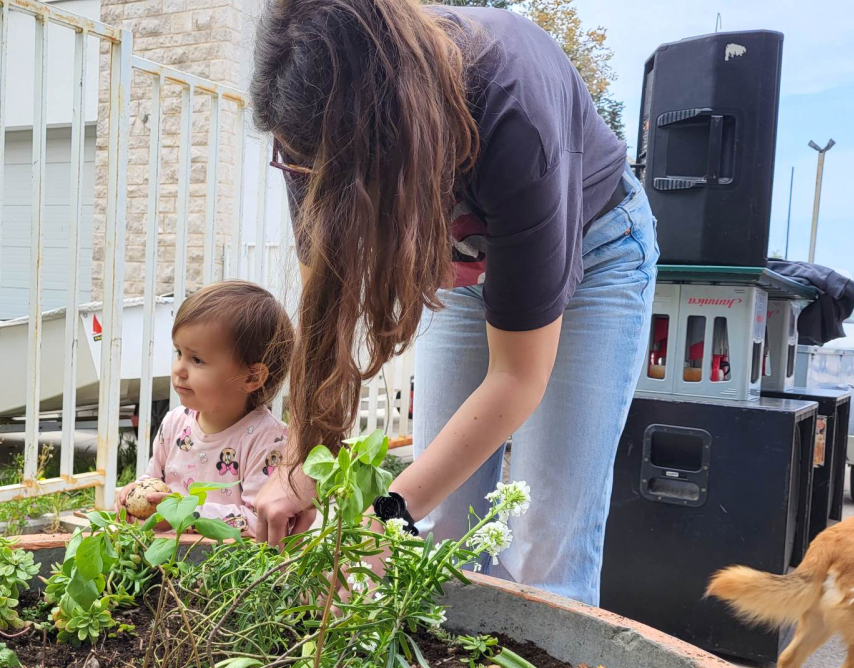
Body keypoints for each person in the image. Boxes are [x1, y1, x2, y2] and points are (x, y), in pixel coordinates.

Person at [250, 0, 657, 605]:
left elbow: (518, 376)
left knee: (543, 540)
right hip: (468, 263)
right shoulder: (306, 122)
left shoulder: (510, 103)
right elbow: (322, 313)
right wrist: (299, 463)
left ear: (389, 124)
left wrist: (386, 512)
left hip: (597, 252)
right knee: (432, 527)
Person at [117, 281, 295, 535]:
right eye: (179, 353)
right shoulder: (174, 423)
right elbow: (154, 480)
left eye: (197, 360)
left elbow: (259, 520)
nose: (179, 368)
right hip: (166, 563)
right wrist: (134, 493)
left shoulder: (269, 440)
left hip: (225, 569)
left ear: (251, 378)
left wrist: (186, 516)